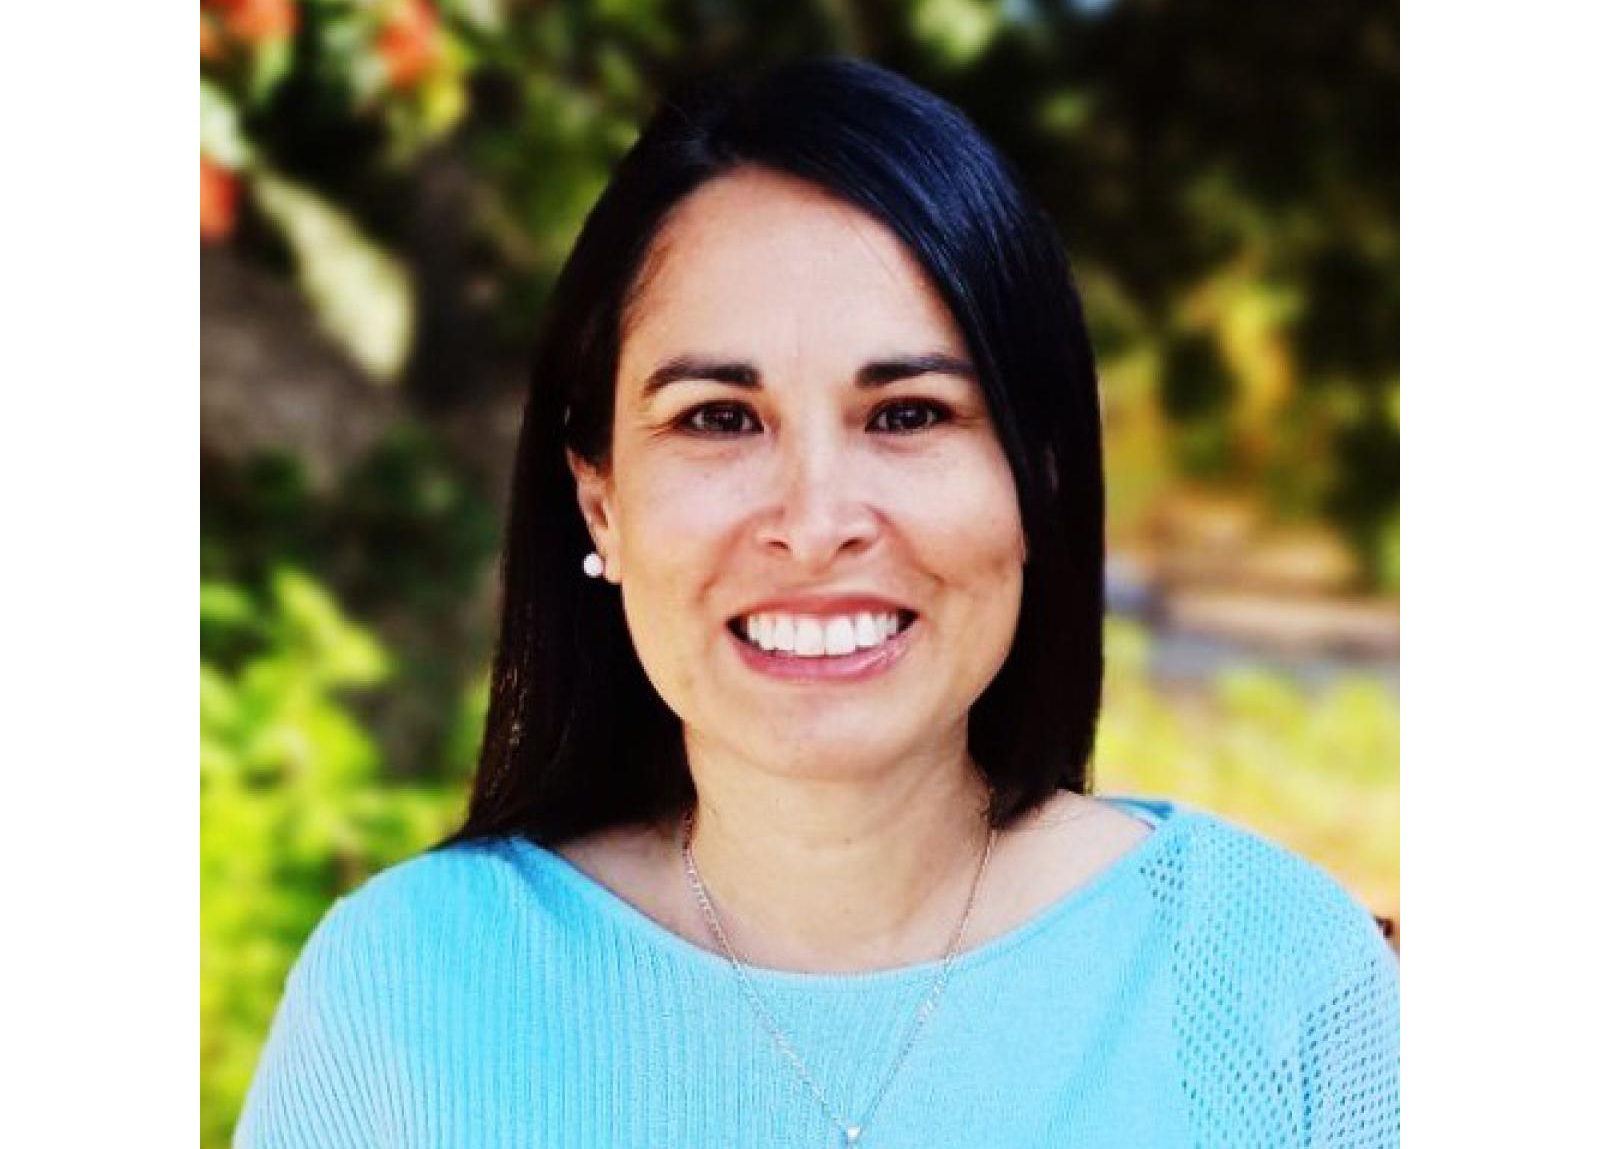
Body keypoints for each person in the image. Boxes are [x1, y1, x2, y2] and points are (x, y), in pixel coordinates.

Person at [235, 58, 1399, 1149]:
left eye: (907, 415)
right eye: (717, 419)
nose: (814, 517)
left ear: (1037, 480)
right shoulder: (407, 994)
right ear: (600, 506)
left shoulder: (1273, 980)